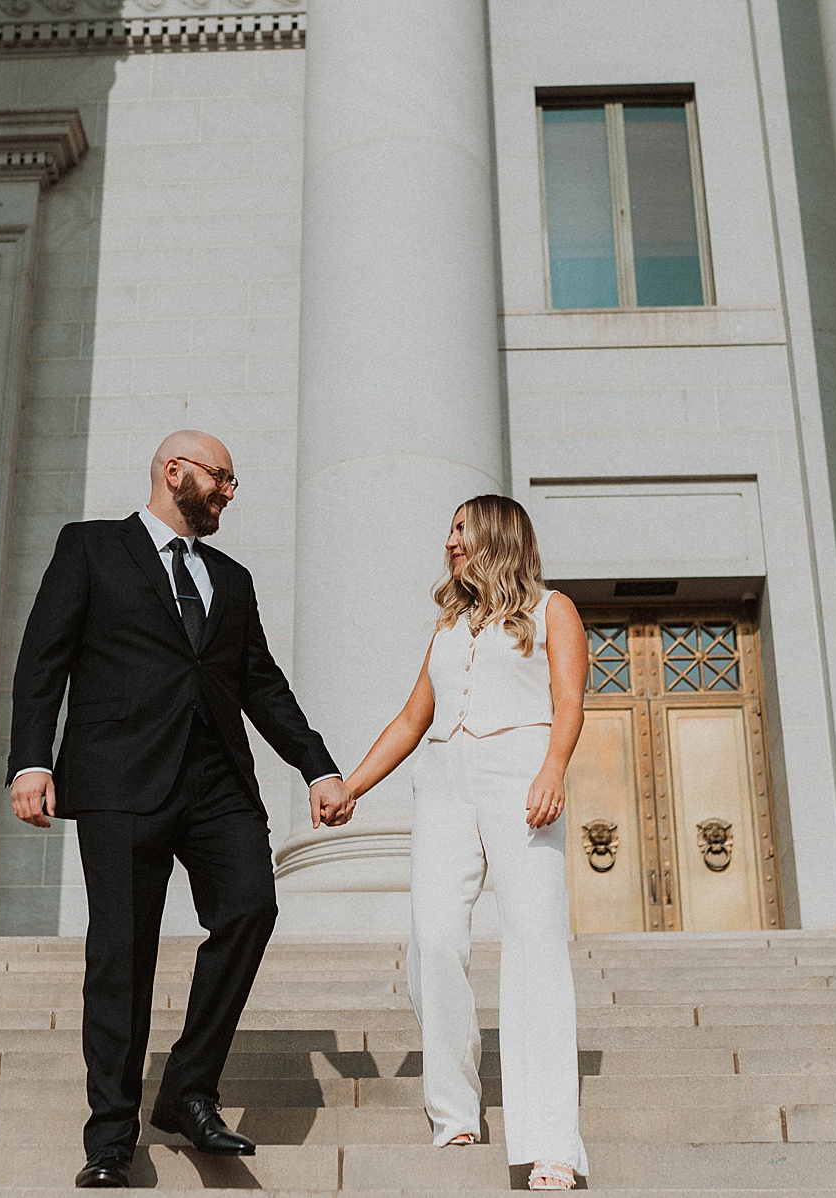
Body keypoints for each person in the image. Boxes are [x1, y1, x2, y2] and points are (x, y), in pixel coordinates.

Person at [7, 430, 353, 1189]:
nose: (230, 493)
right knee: (121, 954)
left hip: (218, 783)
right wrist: (32, 760)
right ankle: (110, 1138)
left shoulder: (231, 577)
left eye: (232, 482)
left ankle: (188, 1087)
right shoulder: (91, 548)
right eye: (222, 478)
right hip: (119, 779)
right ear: (176, 471)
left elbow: (261, 682)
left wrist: (317, 766)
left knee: (250, 909)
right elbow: (44, 659)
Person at [343, 494, 589, 1192]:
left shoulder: (552, 610)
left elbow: (570, 699)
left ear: (496, 537)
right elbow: (411, 718)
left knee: (535, 939)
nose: (449, 541)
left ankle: (551, 1143)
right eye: (449, 530)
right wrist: (352, 786)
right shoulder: (447, 629)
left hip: (522, 774)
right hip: (444, 781)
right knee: (436, 939)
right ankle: (454, 1112)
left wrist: (552, 769)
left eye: (461, 529)